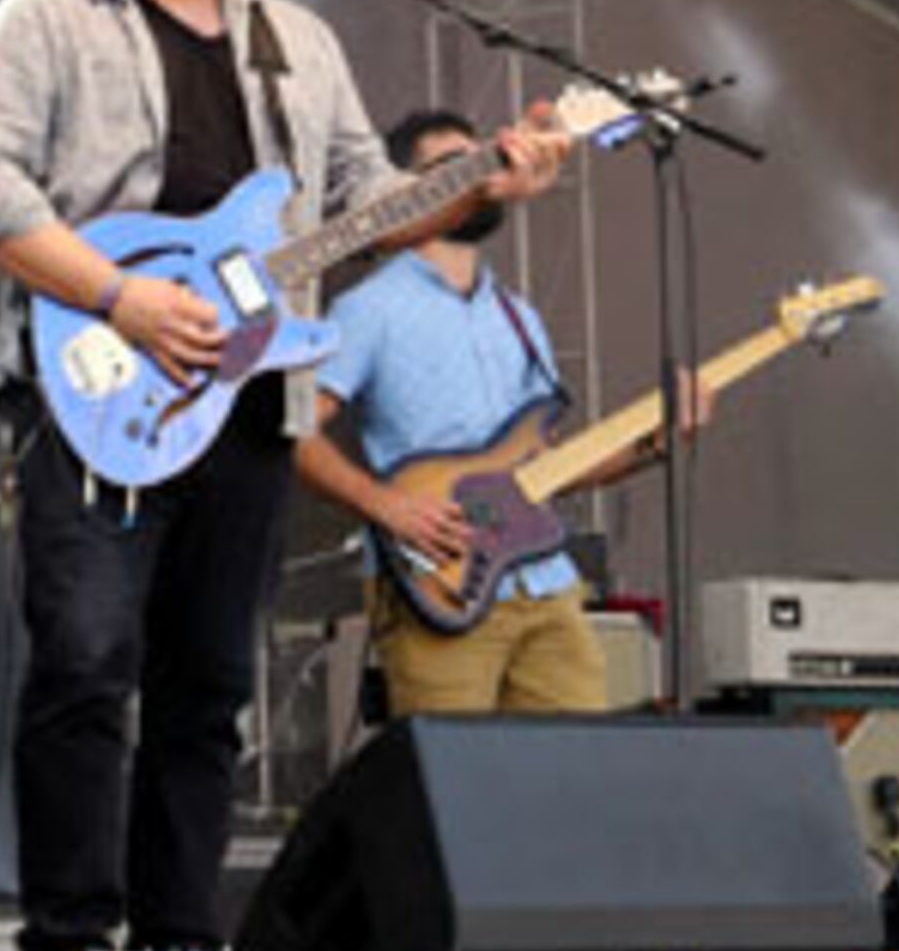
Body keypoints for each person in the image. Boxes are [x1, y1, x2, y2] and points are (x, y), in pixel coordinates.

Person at [0, 0, 564, 951]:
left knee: (210, 683)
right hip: (101, 388)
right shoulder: (45, 20)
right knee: (87, 661)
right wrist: (123, 300)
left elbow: (369, 204)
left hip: (253, 401)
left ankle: (176, 947)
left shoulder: (297, 41)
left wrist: (490, 179)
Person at [296, 105, 700, 720]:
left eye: (480, 158)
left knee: (579, 770)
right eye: (452, 166)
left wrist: (654, 444)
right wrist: (386, 506)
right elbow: (292, 430)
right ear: (406, 192)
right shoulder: (366, 309)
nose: (480, 175)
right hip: (441, 583)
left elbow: (544, 468)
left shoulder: (519, 316)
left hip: (547, 585)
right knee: (457, 777)